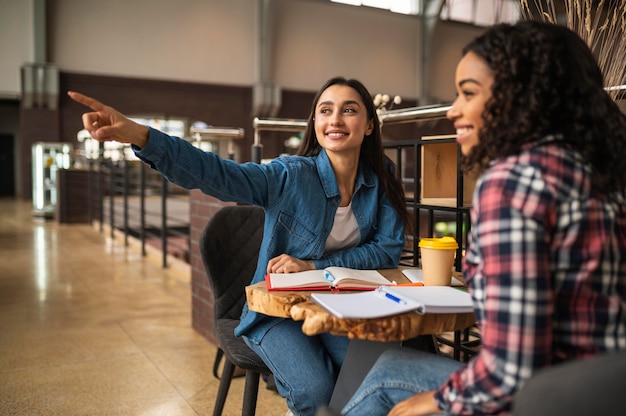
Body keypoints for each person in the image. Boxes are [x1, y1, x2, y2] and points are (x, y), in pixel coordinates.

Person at [68, 76, 410, 416]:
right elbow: (217, 173)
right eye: (325, 110)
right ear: (316, 123)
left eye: (348, 110)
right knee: (316, 389)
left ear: (368, 125)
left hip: (339, 306)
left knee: (370, 375)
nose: (335, 119)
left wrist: (314, 267)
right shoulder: (290, 175)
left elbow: (386, 251)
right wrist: (144, 136)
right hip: (277, 312)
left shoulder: (381, 177)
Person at [339, 20, 626, 416]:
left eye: (468, 93)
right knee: (389, 365)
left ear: (521, 97)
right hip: (600, 393)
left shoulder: (515, 182)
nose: (453, 109)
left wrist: (440, 399)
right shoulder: (596, 169)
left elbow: (514, 370)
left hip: (547, 399)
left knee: (391, 377)